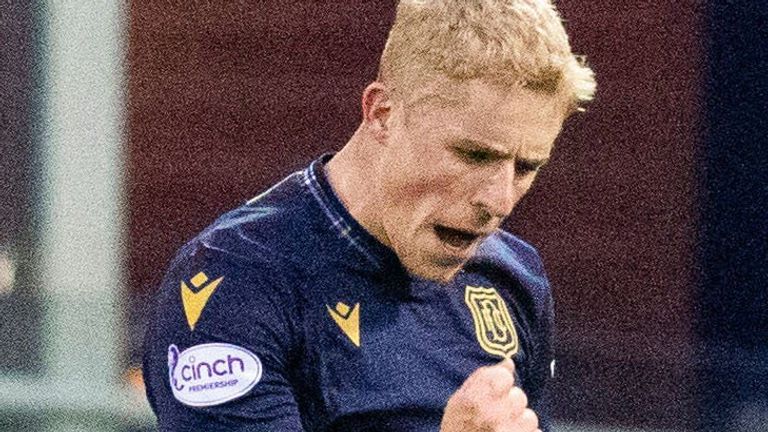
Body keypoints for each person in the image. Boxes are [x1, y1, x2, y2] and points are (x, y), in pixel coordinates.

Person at [142, 0, 596, 431]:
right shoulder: (234, 280)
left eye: (527, 167)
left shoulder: (514, 277)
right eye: (473, 155)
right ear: (382, 114)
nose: (498, 201)